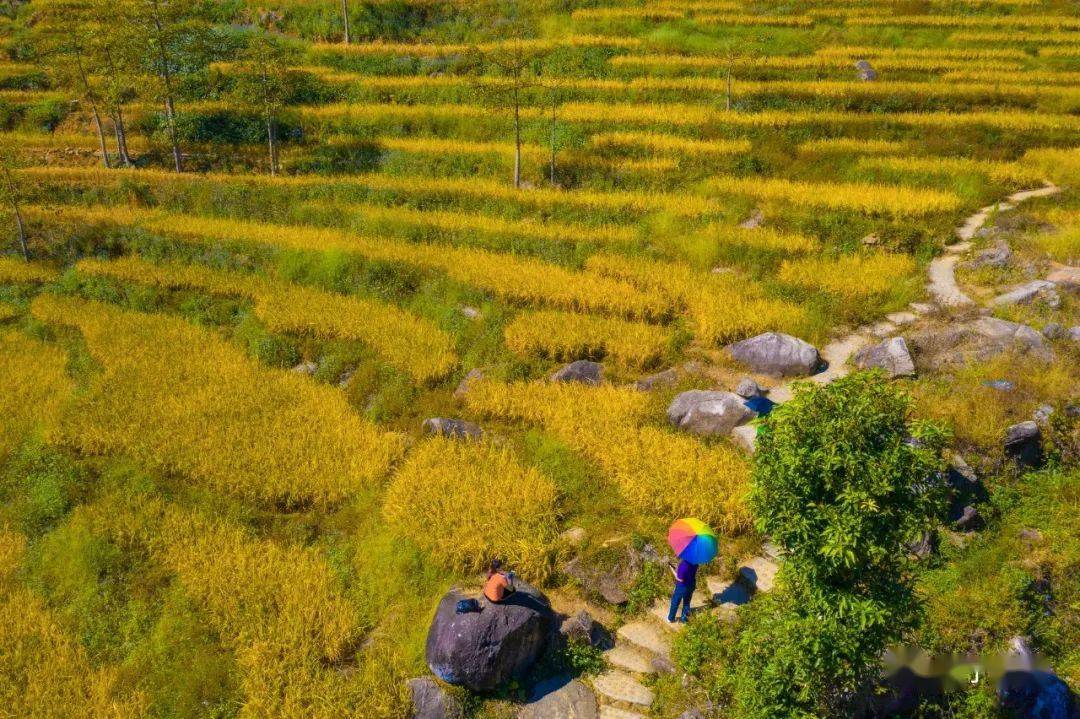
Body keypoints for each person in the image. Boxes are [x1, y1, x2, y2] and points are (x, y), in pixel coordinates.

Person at [667, 558, 698, 623]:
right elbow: (690, 573)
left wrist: (672, 569)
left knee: (675, 601)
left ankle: (671, 618)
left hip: (682, 586)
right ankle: (684, 619)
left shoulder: (683, 564)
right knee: (687, 602)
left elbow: (679, 579)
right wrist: (678, 570)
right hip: (691, 584)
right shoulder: (695, 562)